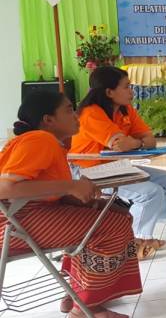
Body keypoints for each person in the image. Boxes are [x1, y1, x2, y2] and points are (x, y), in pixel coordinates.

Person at [0, 91, 141, 318]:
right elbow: (4, 189)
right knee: (114, 226)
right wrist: (69, 186)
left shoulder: (45, 142)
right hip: (13, 223)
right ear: (48, 120)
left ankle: (77, 294)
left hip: (23, 217)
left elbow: (41, 189)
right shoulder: (40, 139)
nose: (76, 115)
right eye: (68, 110)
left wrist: (82, 199)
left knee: (117, 215)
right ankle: (86, 308)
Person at [70, 66, 166, 260]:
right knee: (150, 192)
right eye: (127, 86)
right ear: (109, 92)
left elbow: (149, 139)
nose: (132, 91)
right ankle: (134, 244)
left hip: (115, 168)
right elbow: (120, 144)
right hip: (87, 172)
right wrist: (138, 142)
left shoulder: (125, 109)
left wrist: (135, 142)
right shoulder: (91, 113)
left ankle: (142, 234)